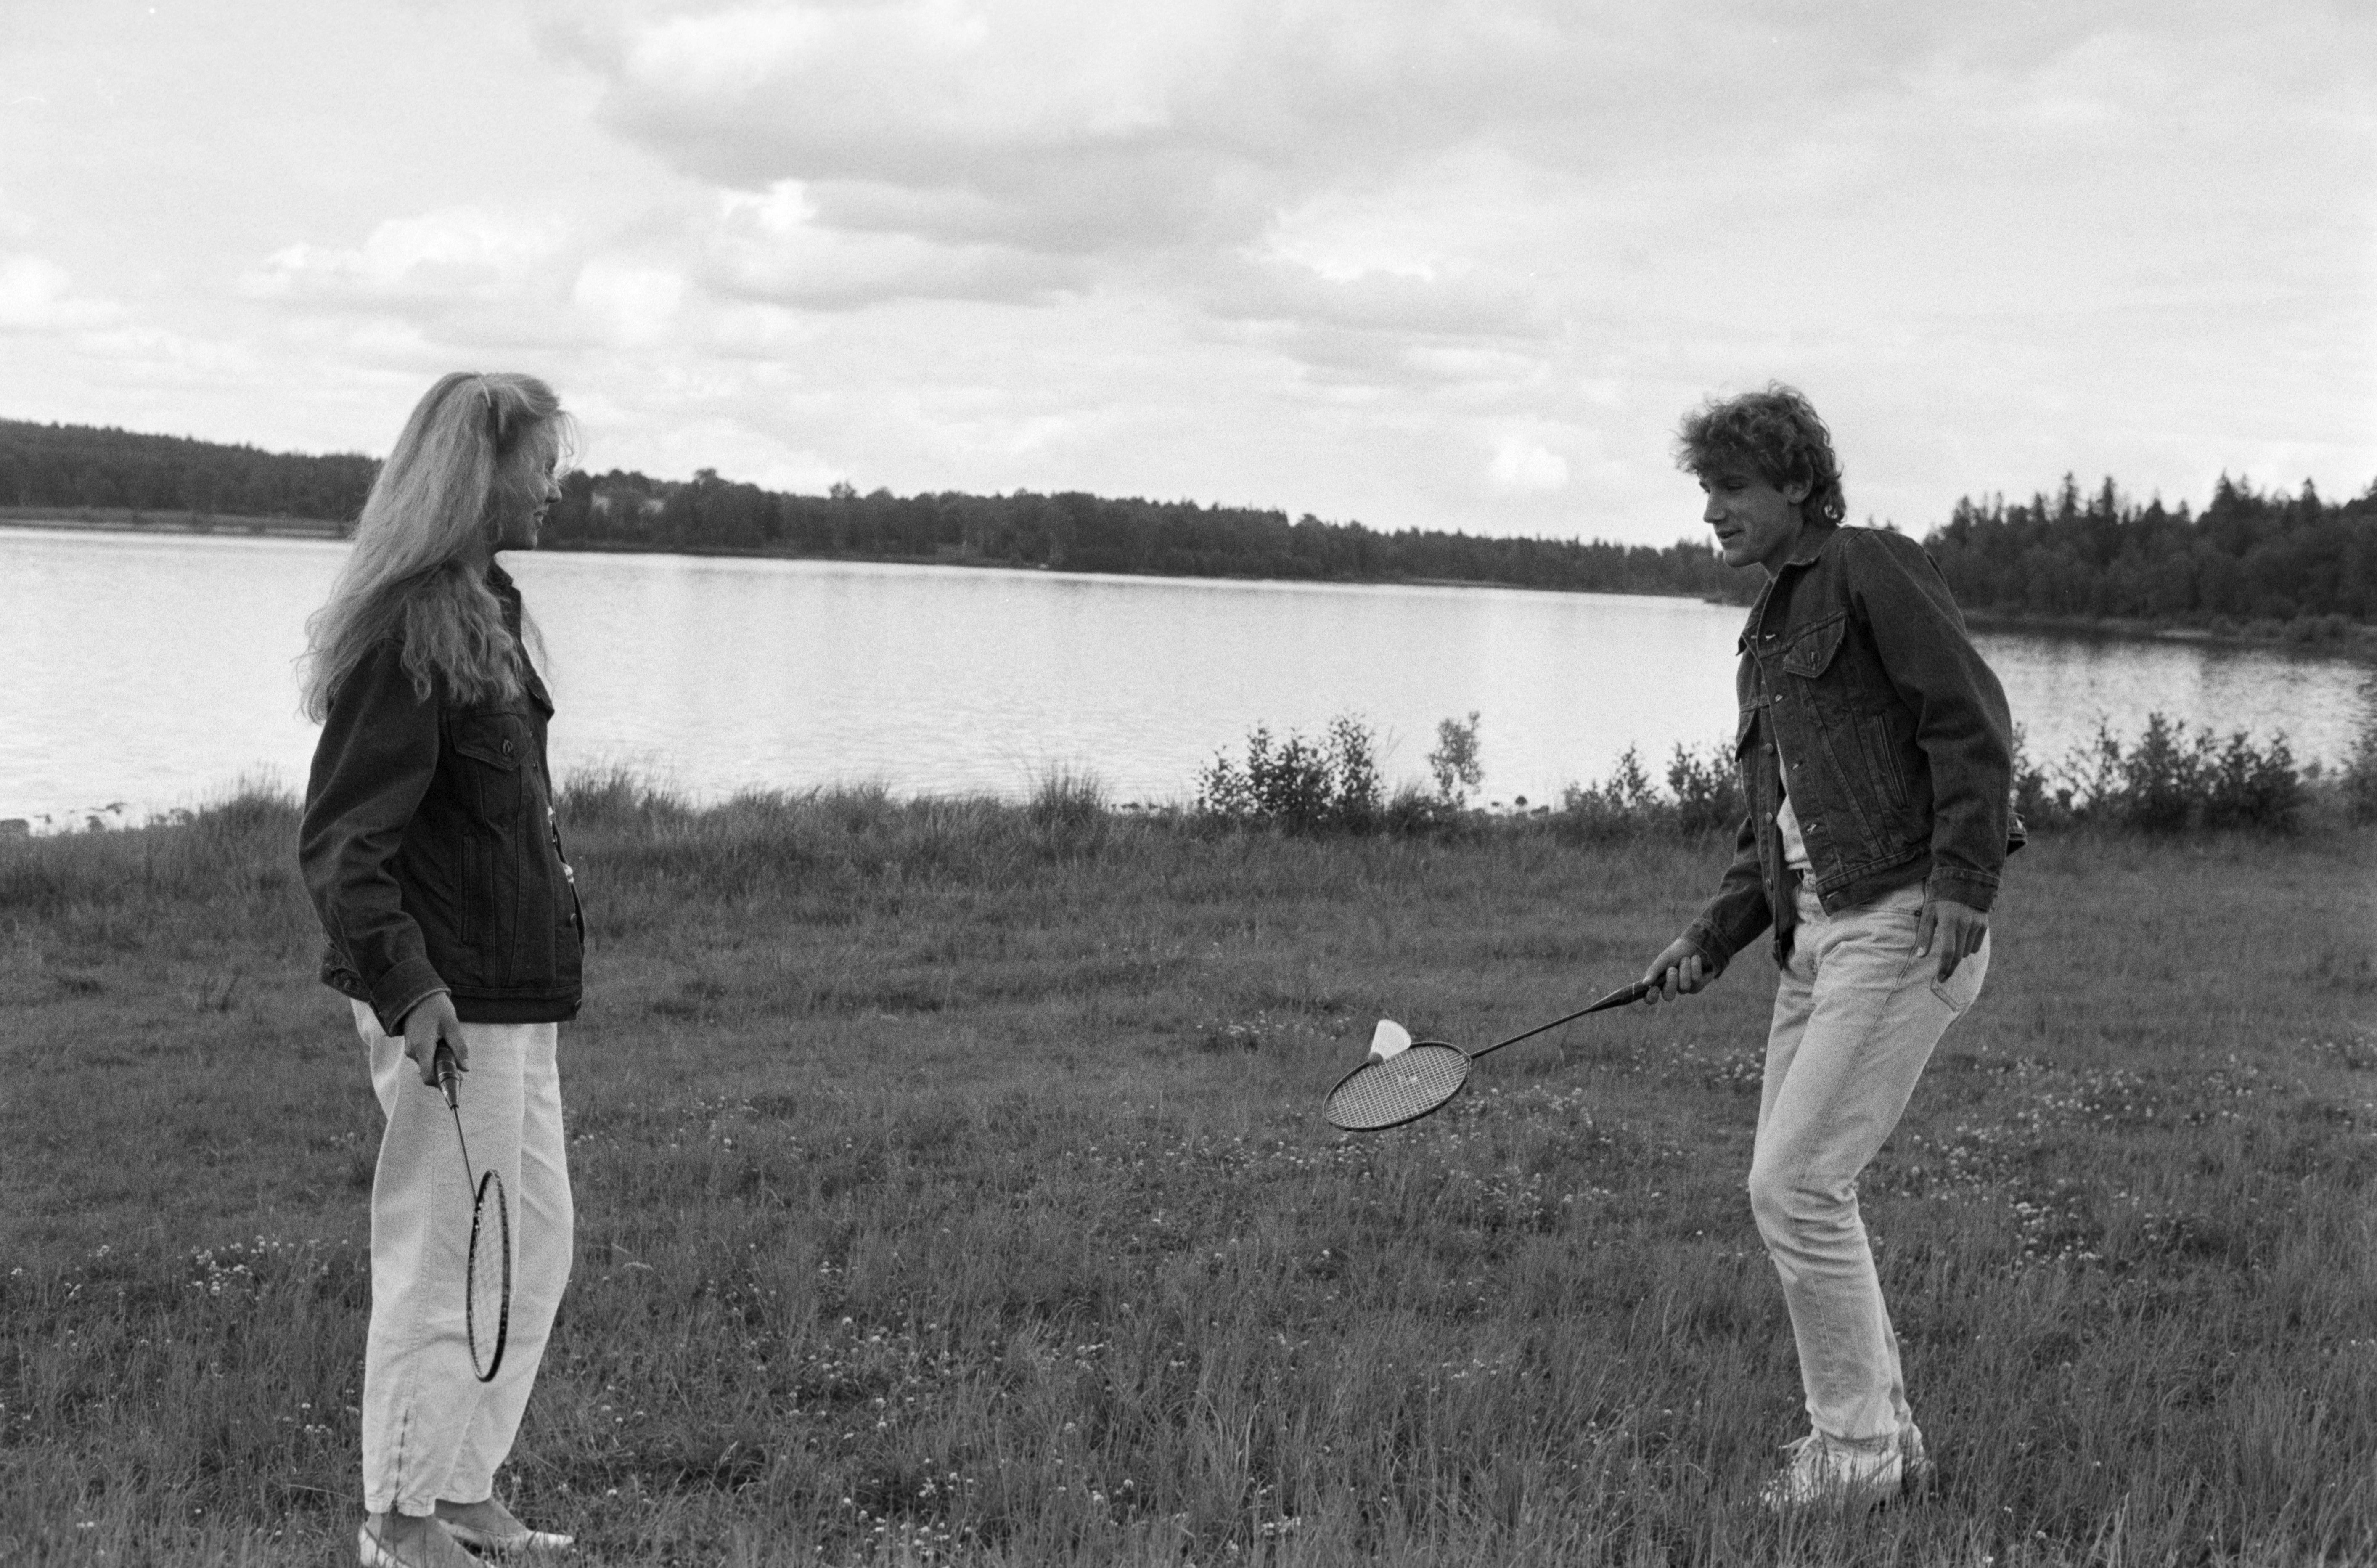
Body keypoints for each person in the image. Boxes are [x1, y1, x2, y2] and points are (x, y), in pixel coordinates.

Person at [1638, 384, 2017, 1512]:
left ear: (1796, 482)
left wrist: (1965, 883)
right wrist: (1710, 939)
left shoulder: (1869, 568)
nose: (1712, 510)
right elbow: (1776, 833)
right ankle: (1882, 1446)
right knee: (1798, 1193)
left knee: (1796, 1187)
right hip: (1814, 942)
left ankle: (1852, 1462)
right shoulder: (1762, 640)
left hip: (1901, 923)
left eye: (1732, 487)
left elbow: (1971, 721)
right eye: (1705, 490)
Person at [299, 372, 585, 1567]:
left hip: (514, 997)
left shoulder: (490, 610)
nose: (556, 487)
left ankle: (463, 1492)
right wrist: (410, 989)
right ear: (479, 472)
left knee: (536, 1243)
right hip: (448, 1005)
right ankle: (398, 1524)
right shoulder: (411, 625)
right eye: (540, 466)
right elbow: (342, 843)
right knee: (447, 1259)